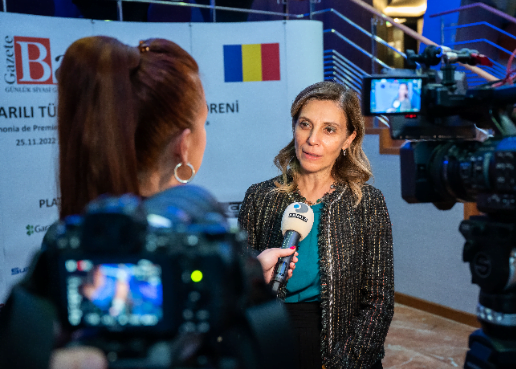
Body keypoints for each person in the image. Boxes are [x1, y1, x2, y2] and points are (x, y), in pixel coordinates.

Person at [0, 36, 296, 369]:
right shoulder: (200, 223)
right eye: (204, 121)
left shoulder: (63, 244)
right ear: (184, 145)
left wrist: (239, 275)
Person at [238, 81, 394, 369]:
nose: (312, 139)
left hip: (344, 343)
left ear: (348, 139)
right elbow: (238, 291)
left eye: (329, 129)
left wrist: (346, 362)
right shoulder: (259, 197)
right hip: (275, 338)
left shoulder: (367, 203)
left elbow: (379, 301)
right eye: (305, 124)